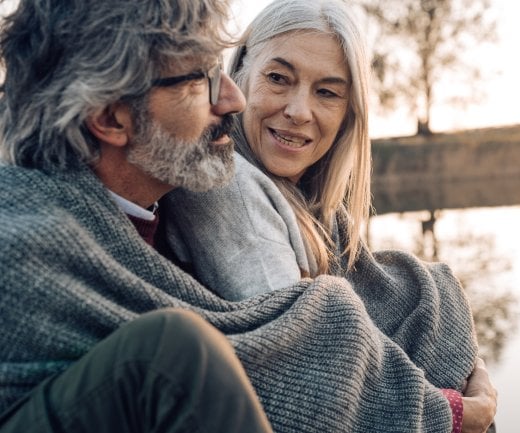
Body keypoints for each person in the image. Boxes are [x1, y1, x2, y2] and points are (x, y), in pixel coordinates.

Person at [0, 1, 495, 433]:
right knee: (174, 353)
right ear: (110, 118)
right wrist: (445, 415)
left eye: (328, 92)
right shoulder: (28, 243)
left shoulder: (147, 216)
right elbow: (264, 362)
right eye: (199, 79)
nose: (232, 99)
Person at [161, 0, 497, 431]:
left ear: (348, 112)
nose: (299, 111)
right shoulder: (230, 187)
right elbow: (307, 368)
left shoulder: (311, 205)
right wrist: (452, 412)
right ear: (239, 74)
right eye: (278, 79)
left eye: (327, 92)